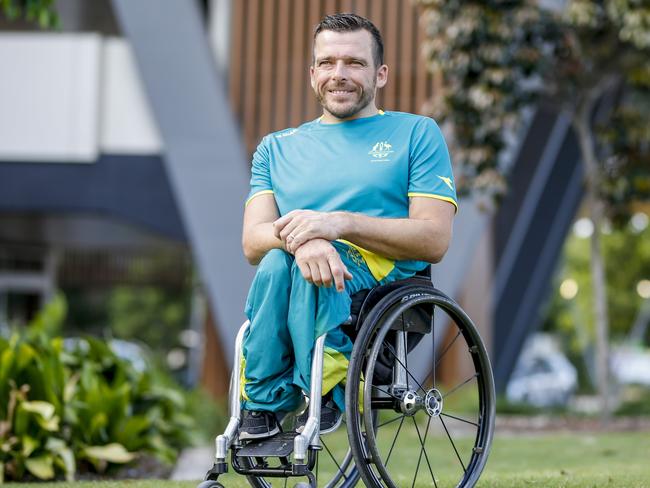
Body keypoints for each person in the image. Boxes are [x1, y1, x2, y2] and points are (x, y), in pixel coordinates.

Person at [238, 13, 457, 440]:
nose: (339, 75)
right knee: (272, 266)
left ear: (381, 73)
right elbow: (252, 241)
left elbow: (434, 239)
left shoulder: (416, 133)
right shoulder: (276, 147)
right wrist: (305, 243)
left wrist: (337, 225)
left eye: (354, 63)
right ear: (312, 73)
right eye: (328, 62)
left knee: (307, 268)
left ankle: (328, 386)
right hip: (298, 267)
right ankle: (260, 405)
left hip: (383, 281)